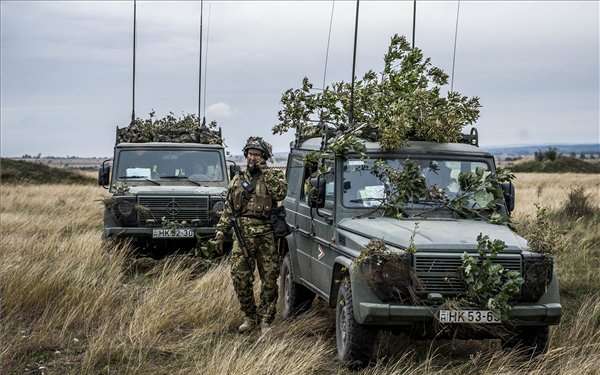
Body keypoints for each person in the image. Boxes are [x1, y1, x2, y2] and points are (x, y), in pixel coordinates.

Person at [214, 136, 287, 334]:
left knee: (270, 279)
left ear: (264, 157)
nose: (253, 158)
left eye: (257, 154)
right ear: (245, 155)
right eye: (250, 154)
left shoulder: (273, 177)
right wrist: (221, 233)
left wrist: (266, 172)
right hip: (243, 234)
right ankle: (250, 316)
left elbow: (280, 194)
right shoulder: (237, 179)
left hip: (266, 234)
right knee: (240, 278)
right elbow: (228, 208)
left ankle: (266, 320)